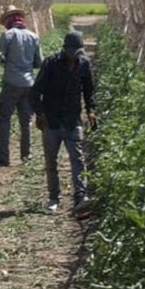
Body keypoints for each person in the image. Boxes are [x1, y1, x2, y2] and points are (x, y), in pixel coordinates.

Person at [31, 30, 96, 214]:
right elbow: (35, 92)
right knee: (51, 161)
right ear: (64, 49)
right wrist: (39, 113)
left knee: (78, 159)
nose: (74, 56)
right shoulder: (51, 63)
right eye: (71, 52)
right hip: (51, 120)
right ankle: (53, 197)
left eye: (77, 53)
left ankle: (81, 197)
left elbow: (88, 91)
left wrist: (91, 111)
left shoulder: (84, 64)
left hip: (72, 119)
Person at [0, 5, 42, 166]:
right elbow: (38, 63)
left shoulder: (7, 35)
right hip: (29, 84)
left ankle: (4, 157)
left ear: (8, 20)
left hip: (11, 82)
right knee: (25, 120)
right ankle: (26, 156)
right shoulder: (33, 37)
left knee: (4, 118)